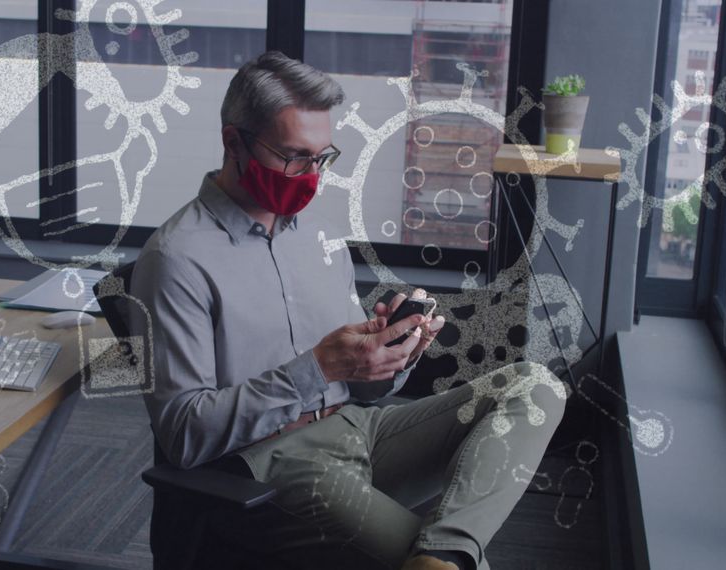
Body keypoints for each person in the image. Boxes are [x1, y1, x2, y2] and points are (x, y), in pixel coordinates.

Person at [132, 51, 567, 570]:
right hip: (270, 464)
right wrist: (317, 368)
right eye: (294, 156)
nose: (311, 175)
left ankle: (446, 551)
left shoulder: (318, 237)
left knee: (533, 386)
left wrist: (387, 361)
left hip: (361, 429)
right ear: (233, 143)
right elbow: (182, 435)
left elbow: (359, 386)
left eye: (321, 158)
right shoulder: (177, 259)